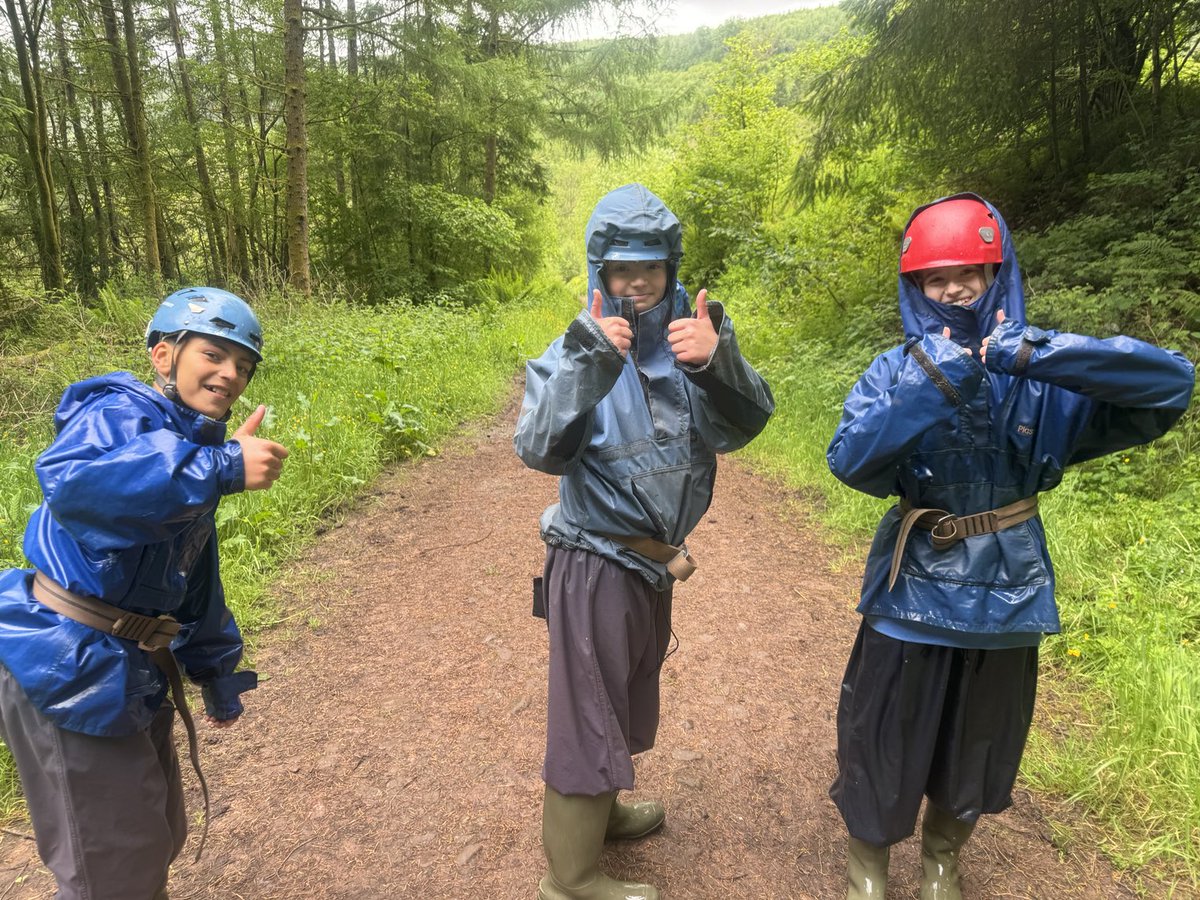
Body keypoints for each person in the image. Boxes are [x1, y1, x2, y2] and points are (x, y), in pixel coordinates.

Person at [826, 193, 1194, 899]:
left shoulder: (1043, 377)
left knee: (980, 738)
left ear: (998, 273)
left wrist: (1040, 354)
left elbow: (1171, 384)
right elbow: (851, 462)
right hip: (911, 585)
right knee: (882, 732)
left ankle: (943, 861)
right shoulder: (892, 370)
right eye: (936, 278)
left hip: (1010, 586)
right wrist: (933, 382)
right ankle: (866, 866)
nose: (954, 288)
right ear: (915, 289)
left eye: (970, 271)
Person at [514, 183, 774, 900]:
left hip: (649, 568)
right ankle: (568, 877)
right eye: (622, 268)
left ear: (671, 268)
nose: (637, 282)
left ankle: (605, 812)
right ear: (599, 271)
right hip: (593, 560)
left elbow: (747, 426)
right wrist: (590, 364)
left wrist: (717, 361)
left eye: (651, 267)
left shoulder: (694, 342)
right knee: (587, 712)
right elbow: (537, 448)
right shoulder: (573, 350)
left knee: (625, 693)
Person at [0, 286, 288, 900]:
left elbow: (191, 579)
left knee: (154, 837)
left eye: (243, 365)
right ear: (164, 355)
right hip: (66, 662)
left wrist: (215, 670)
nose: (230, 373)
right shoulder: (117, 411)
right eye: (214, 353)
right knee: (112, 868)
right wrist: (223, 468)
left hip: (127, 664)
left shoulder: (194, 451)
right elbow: (77, 486)